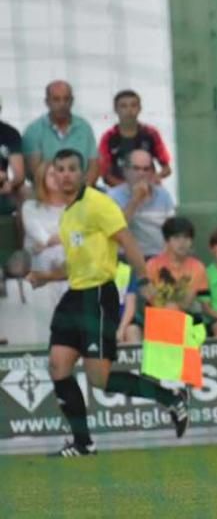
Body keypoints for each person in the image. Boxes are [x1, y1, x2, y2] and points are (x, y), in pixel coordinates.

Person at [25, 149, 189, 457]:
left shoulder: (99, 204)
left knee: (98, 378)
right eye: (59, 169)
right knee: (57, 366)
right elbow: (75, 266)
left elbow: (127, 241)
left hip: (99, 295)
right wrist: (46, 276)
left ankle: (171, 398)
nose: (65, 175)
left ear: (84, 171)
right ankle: (83, 443)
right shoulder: (68, 215)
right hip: (74, 295)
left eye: (72, 169)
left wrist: (143, 281)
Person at [23, 80, 98, 185]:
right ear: (47, 102)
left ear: (72, 101)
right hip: (46, 192)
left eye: (66, 99)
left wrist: (81, 193)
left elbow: (93, 167)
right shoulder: (33, 130)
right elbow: (35, 172)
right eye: (56, 99)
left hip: (82, 190)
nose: (62, 104)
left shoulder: (84, 127)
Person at [97, 89, 172, 187]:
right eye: (124, 106)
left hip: (149, 189)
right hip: (119, 192)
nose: (129, 110)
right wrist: (127, 190)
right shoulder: (108, 137)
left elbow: (167, 169)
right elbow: (105, 175)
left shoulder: (151, 134)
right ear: (115, 109)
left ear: (140, 108)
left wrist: (154, 179)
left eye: (133, 105)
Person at [109, 149, 176, 257]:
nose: (141, 174)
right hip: (123, 259)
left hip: (157, 258)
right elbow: (115, 231)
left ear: (152, 173)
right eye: (136, 168)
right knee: (121, 275)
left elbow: (172, 230)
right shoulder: (112, 196)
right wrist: (135, 200)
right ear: (125, 171)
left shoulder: (163, 195)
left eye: (146, 169)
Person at [13, 163, 68, 287]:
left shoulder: (74, 207)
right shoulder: (30, 207)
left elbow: (80, 237)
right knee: (49, 254)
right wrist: (62, 238)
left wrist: (51, 242)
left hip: (67, 263)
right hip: (39, 263)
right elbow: (43, 238)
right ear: (42, 179)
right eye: (52, 175)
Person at [0, 95, 25, 217]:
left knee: (24, 191)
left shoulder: (9, 133)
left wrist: (11, 184)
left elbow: (19, 175)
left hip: (2, 187)